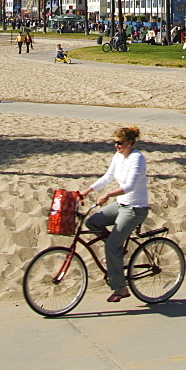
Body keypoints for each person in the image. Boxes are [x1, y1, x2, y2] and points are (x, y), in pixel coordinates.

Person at [80, 125, 149, 302]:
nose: (116, 146)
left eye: (120, 143)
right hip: (121, 204)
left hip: (135, 208)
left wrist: (108, 195)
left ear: (130, 142)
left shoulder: (137, 158)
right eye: (114, 142)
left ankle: (121, 288)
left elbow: (130, 186)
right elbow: (107, 177)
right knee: (93, 222)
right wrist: (86, 191)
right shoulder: (118, 156)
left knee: (110, 246)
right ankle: (118, 250)